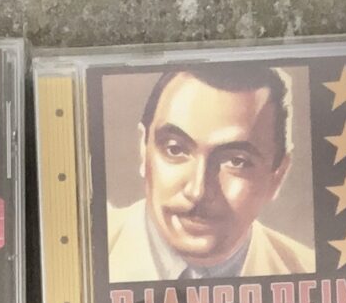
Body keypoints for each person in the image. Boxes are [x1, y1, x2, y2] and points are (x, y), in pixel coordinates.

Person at [105, 64, 314, 280]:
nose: (197, 191)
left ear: (277, 176)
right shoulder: (89, 251)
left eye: (236, 161)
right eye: (175, 149)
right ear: (143, 149)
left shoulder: (308, 271)